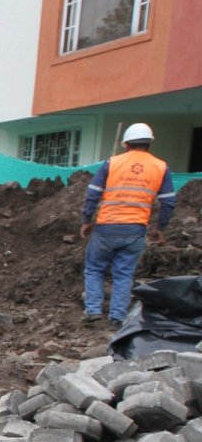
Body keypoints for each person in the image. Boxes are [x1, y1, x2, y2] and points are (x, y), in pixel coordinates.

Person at [80, 122, 177, 329]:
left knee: (95, 268)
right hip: (135, 229)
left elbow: (93, 193)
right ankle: (117, 317)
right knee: (123, 274)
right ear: (149, 144)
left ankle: (93, 310)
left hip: (107, 226)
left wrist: (87, 220)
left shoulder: (112, 163)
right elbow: (168, 201)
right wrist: (160, 228)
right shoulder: (160, 167)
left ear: (126, 144)